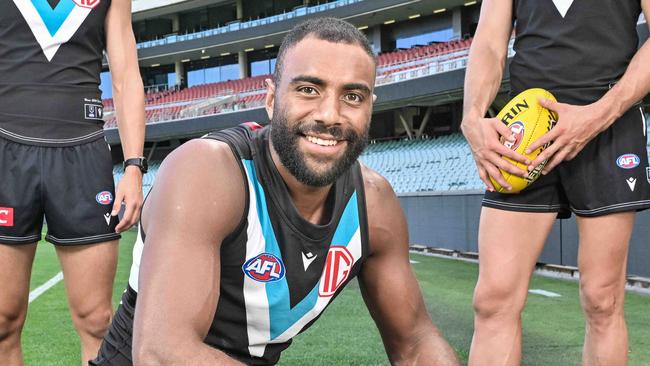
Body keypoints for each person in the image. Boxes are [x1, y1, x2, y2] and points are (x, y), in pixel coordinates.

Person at [91, 17, 460, 366]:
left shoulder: (374, 203)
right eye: (308, 89)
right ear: (271, 100)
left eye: (352, 96)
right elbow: (161, 353)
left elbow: (415, 342)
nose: (331, 114)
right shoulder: (206, 171)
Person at [461, 0, 650, 364]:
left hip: (609, 123)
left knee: (602, 299)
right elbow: (488, 42)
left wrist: (598, 115)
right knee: (493, 299)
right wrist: (472, 116)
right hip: (527, 129)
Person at [0, 0, 145, 364]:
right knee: (1, 320)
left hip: (82, 155)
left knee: (97, 320)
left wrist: (134, 165)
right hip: (5, 153)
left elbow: (126, 75)